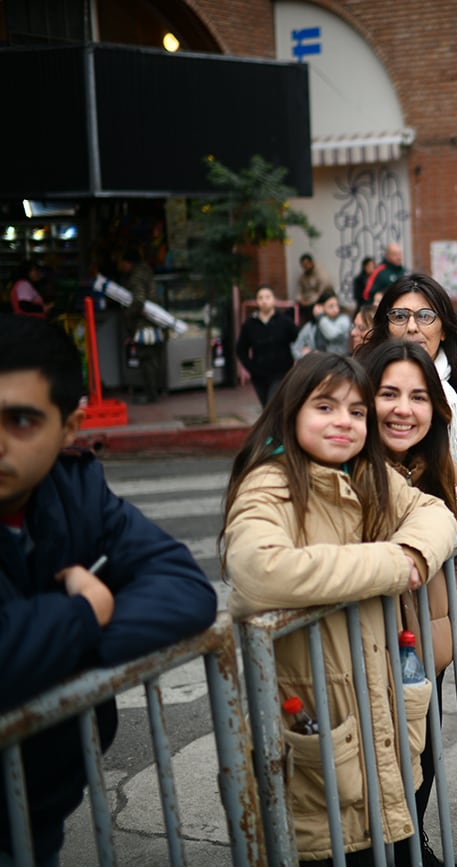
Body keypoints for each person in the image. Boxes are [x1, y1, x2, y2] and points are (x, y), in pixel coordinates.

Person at [222, 352, 457, 866]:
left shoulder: (368, 474)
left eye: (355, 412)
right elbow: (258, 570)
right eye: (325, 407)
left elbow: (433, 511)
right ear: (291, 411)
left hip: (377, 715)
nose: (343, 422)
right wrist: (395, 565)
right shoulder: (272, 482)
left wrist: (415, 552)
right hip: (315, 726)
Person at [0, 317, 217, 865]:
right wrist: (80, 614)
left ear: (69, 426)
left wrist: (57, 649)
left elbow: (185, 589)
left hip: (41, 803)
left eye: (20, 420)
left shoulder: (74, 489)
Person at [360, 340, 457, 867]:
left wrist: (448, 637)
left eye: (418, 396)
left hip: (422, 665)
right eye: (388, 393)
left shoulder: (450, 478)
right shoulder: (344, 475)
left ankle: (413, 844)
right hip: (354, 671)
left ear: (436, 409)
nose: (403, 409)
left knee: (421, 766)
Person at [360, 274, 457, 475]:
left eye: (425, 316)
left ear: (444, 330)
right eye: (399, 316)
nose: (412, 327)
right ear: (385, 328)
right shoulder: (362, 383)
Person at [235, 285, 297, 407]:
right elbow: (240, 349)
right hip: (259, 375)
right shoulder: (250, 324)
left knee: (272, 405)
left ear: (274, 300)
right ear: (257, 301)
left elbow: (298, 340)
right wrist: (251, 367)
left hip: (281, 373)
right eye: (260, 298)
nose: (264, 301)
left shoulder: (285, 321)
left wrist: (295, 361)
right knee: (267, 410)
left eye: (268, 297)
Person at [119, 251, 166, 404]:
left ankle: (151, 394)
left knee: (147, 359)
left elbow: (139, 301)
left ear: (128, 263)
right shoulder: (146, 272)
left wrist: (128, 314)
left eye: (122, 263)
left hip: (144, 326)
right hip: (154, 323)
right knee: (154, 359)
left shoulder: (136, 277)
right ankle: (156, 391)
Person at [295, 253, 334, 322]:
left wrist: (309, 302)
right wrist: (300, 300)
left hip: (319, 299)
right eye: (303, 265)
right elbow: (299, 290)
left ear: (311, 263)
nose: (305, 267)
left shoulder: (320, 273)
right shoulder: (303, 276)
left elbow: (321, 292)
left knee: (311, 309)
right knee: (292, 310)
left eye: (307, 264)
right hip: (307, 300)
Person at [311, 289, 352, 355]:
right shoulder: (313, 325)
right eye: (331, 306)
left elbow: (332, 334)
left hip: (339, 359)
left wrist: (320, 317)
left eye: (337, 305)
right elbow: (297, 345)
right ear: (320, 307)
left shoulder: (344, 320)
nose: (336, 310)